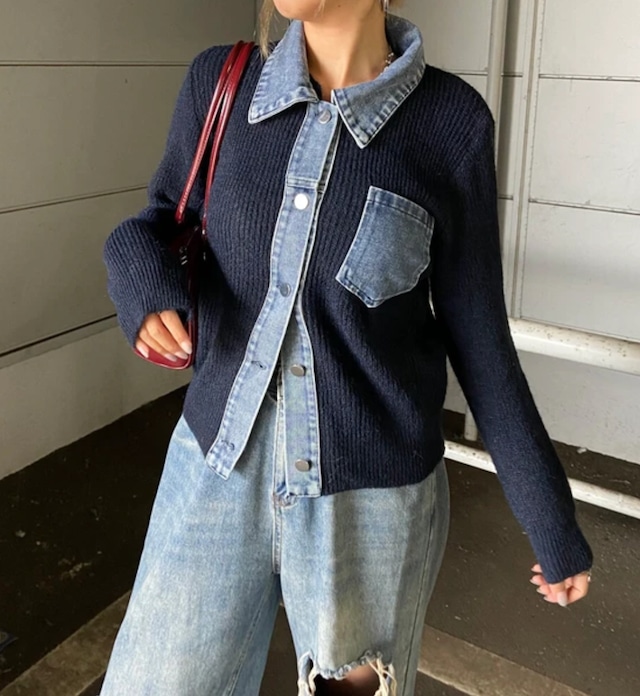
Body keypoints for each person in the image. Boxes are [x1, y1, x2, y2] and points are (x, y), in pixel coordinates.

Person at [100, 1, 593, 694]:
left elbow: (479, 334)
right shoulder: (222, 82)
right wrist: (139, 282)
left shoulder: (451, 125)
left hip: (371, 509)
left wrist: (550, 516)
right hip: (212, 471)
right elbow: (155, 222)